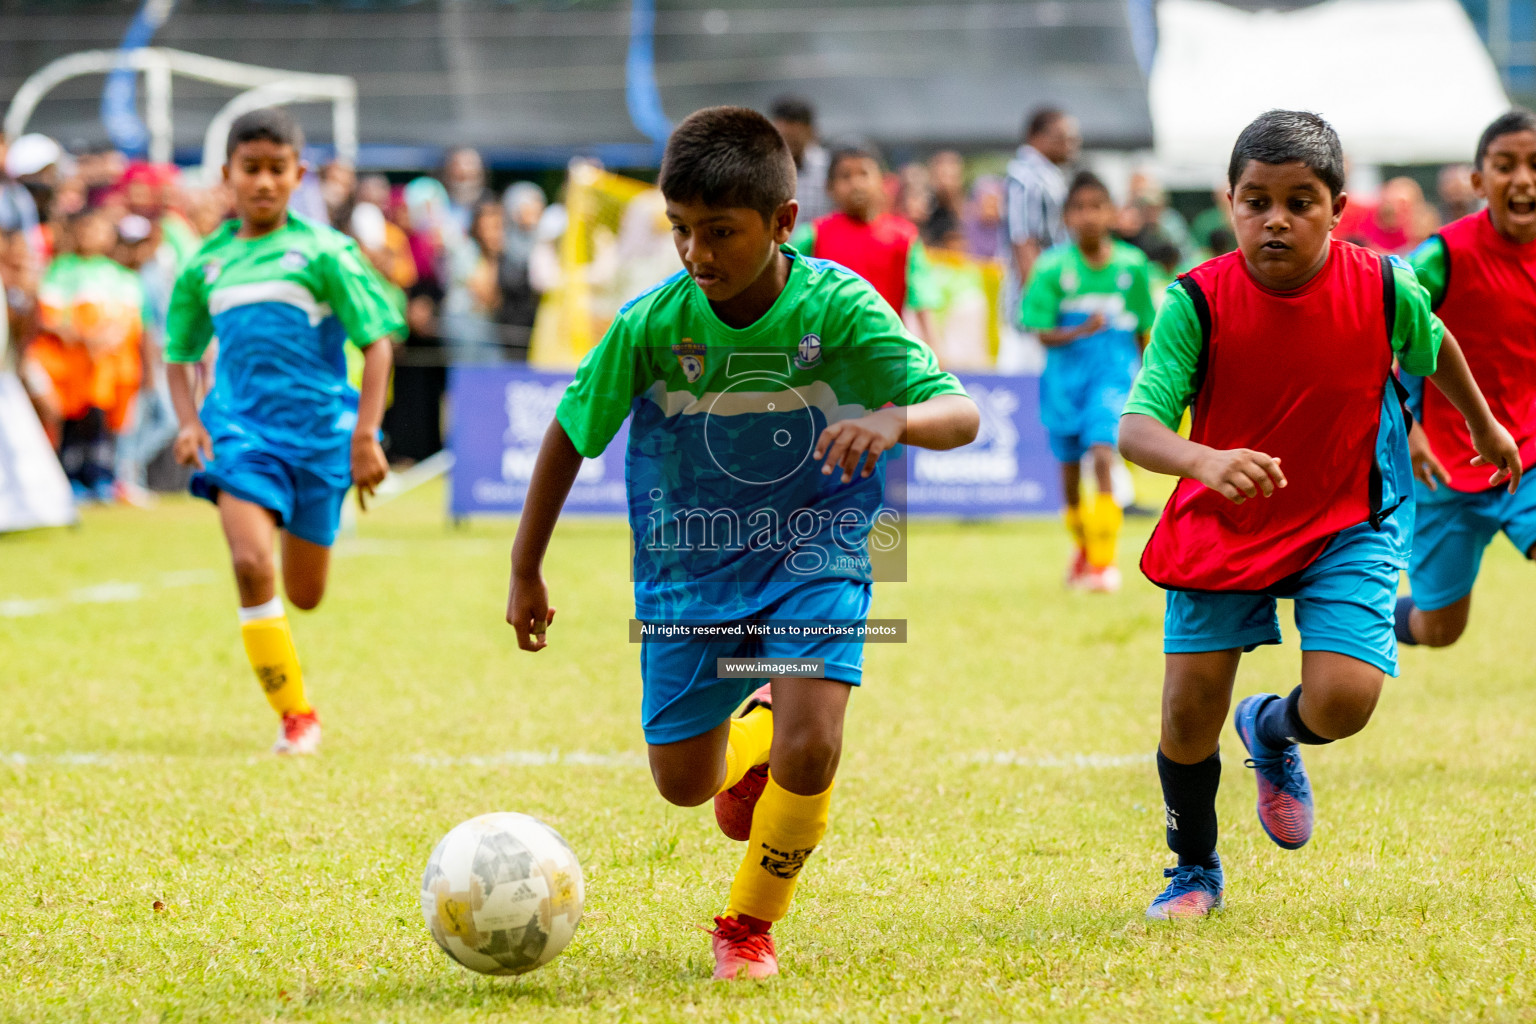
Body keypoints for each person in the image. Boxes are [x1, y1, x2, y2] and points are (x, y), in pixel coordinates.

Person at [504, 106, 978, 981]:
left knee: (815, 747)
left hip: (819, 545)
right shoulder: (652, 322)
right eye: (683, 230)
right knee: (687, 786)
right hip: (692, 565)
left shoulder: (837, 307)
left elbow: (961, 415)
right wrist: (525, 565)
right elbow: (571, 432)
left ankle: (747, 926)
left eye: (720, 231)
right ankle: (751, 727)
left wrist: (891, 417)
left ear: (783, 223)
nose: (698, 254)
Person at [1117, 110, 1520, 919]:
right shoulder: (1194, 302)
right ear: (1228, 203)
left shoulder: (1382, 284)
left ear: (1338, 209)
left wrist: (1482, 424)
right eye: (1256, 200)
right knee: (1187, 716)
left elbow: (1434, 346)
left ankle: (1270, 729)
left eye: (1301, 202)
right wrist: (1203, 459)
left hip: (1348, 519)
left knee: (1344, 702)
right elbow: (1136, 429)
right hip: (1224, 521)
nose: (1276, 218)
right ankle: (1193, 870)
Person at [164, 108, 404, 755]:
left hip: (323, 438)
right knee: (249, 563)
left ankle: (293, 686)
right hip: (240, 434)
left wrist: (364, 436)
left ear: (298, 176)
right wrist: (189, 421)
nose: (264, 182)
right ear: (227, 176)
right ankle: (296, 715)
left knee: (306, 594)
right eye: (251, 169)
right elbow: (180, 352)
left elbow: (378, 344)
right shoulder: (205, 265)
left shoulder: (326, 254)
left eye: (277, 170)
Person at [1395, 110, 1536, 650]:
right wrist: (1408, 429)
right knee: (1440, 629)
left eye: (1534, 165)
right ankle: (1352, 616)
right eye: (1505, 166)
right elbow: (1375, 337)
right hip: (1446, 469)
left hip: (1529, 453)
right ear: (1479, 182)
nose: (1522, 179)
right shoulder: (1439, 258)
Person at [1021, 171, 1155, 592]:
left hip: (1112, 380)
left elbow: (1144, 329)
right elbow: (1039, 330)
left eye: (1097, 206)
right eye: (1079, 208)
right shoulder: (1050, 268)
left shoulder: (1132, 266)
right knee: (1069, 481)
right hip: (1064, 385)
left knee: (1102, 453)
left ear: (1112, 212)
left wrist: (1149, 380)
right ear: (1066, 217)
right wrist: (1081, 330)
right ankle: (1083, 545)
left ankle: (1103, 561)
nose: (1089, 216)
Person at [28, 206, 144, 501]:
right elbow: (50, 316)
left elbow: (130, 318)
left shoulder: (118, 274)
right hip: (72, 365)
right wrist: (83, 338)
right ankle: (70, 478)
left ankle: (100, 477)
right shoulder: (62, 269)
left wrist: (107, 339)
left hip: (108, 366)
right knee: (71, 423)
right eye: (86, 230)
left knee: (101, 423)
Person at [791, 143, 940, 341]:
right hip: (827, 355)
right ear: (829, 187)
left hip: (886, 351)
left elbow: (922, 301)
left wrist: (935, 349)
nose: (856, 184)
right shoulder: (812, 235)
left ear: (883, 181)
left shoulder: (905, 238)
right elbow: (790, 298)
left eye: (864, 174)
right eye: (845, 176)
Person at [1001, 107, 1080, 322]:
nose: (1072, 145)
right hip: (1035, 311)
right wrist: (1039, 305)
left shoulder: (1047, 175)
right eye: (1064, 138)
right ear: (1038, 137)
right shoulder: (1026, 178)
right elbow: (1024, 242)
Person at [769, 97, 831, 224]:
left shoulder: (828, 167)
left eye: (793, 138)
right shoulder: (766, 169)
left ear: (810, 131)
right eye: (782, 137)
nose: (788, 145)